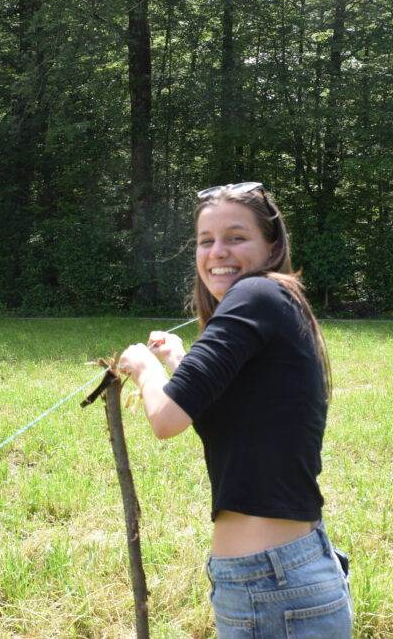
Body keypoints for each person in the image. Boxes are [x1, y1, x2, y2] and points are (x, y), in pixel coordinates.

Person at [117, 181, 353, 637]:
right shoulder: (275, 302)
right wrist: (179, 360)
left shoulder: (255, 295)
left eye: (236, 237)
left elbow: (167, 419)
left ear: (272, 245)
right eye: (206, 240)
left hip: (271, 585)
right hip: (284, 577)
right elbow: (241, 417)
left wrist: (144, 368)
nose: (217, 252)